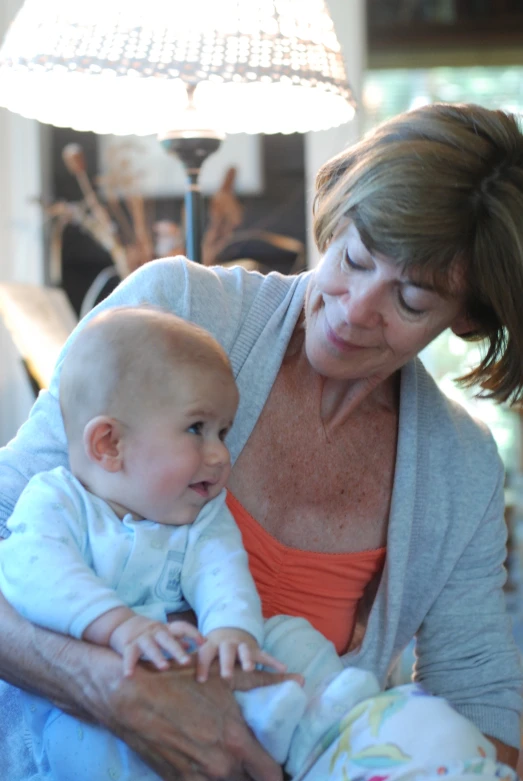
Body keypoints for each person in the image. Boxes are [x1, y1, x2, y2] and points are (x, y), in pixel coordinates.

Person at [0, 101, 522, 780]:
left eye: (412, 301)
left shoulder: (459, 466)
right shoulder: (173, 316)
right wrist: (114, 689)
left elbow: (480, 703)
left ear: (468, 315)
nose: (355, 310)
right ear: (336, 217)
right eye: (356, 256)